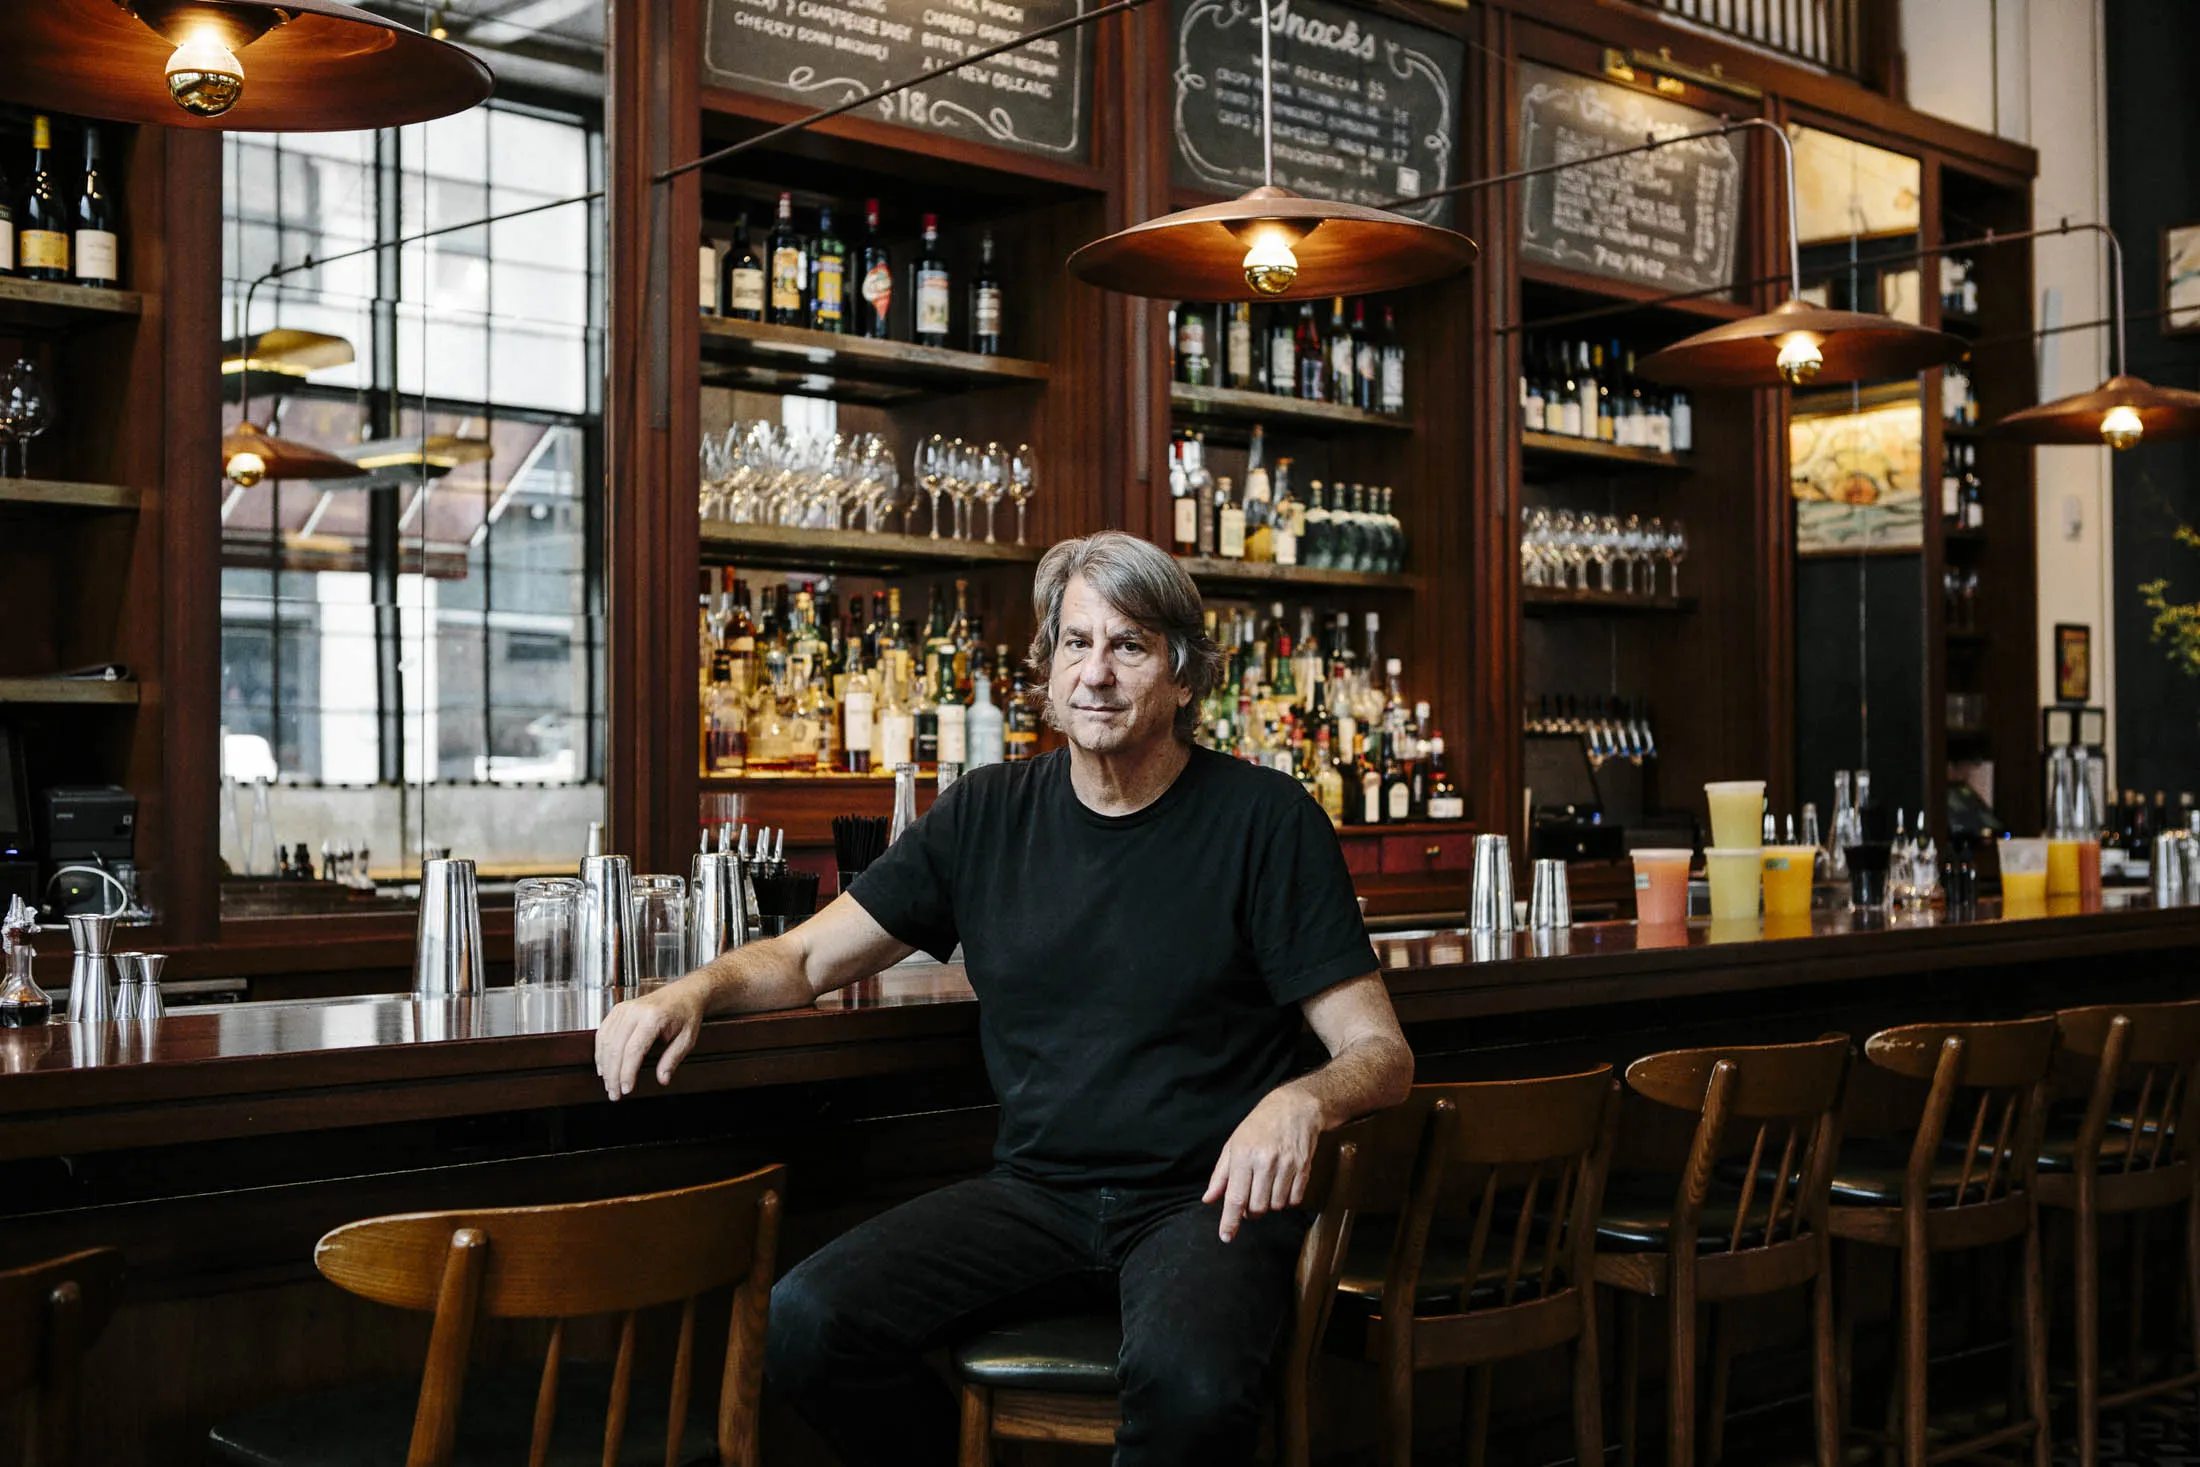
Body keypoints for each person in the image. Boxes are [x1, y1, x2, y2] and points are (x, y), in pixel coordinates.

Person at [594, 532, 1411, 1467]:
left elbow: (1381, 1051)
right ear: (1047, 666)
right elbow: (808, 957)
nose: (1095, 674)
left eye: (1129, 646)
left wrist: (1302, 1098)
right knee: (808, 1323)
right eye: (1075, 643)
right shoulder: (987, 811)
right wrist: (687, 991)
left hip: (1206, 1198)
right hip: (1038, 1193)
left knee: (1192, 1387)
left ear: (1184, 678)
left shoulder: (1265, 818)